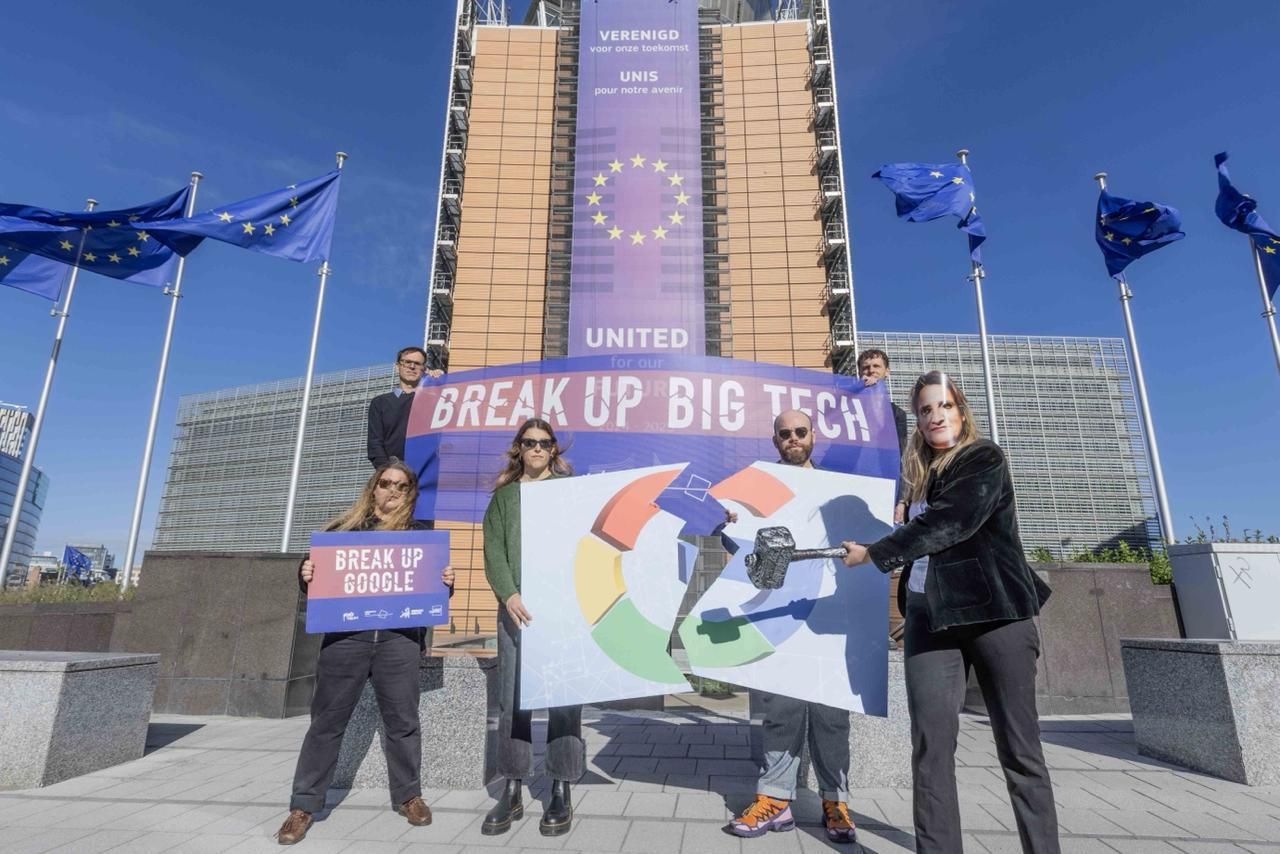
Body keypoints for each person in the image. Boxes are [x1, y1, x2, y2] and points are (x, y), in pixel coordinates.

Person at [839, 372, 1059, 854]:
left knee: (1020, 750)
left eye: (944, 405)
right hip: (929, 619)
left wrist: (875, 554)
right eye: (925, 409)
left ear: (961, 411)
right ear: (917, 421)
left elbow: (953, 522)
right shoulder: (919, 481)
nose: (935, 416)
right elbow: (923, 535)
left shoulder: (983, 458)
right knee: (930, 749)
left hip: (996, 615)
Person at [275, 461, 456, 846]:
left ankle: (409, 796)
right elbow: (315, 581)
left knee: (403, 721)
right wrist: (305, 574)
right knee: (326, 723)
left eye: (401, 486)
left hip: (398, 641)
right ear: (373, 487)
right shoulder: (343, 531)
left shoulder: (420, 537)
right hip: (346, 640)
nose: (392, 491)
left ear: (410, 494)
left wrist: (446, 583)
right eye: (386, 483)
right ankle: (303, 806)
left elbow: (432, 592)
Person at [725, 410, 857, 845]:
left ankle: (835, 800)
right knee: (781, 710)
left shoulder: (838, 490)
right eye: (785, 434)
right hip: (779, 613)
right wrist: (733, 525)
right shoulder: (759, 489)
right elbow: (741, 550)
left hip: (830, 613)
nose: (793, 438)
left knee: (832, 713)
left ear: (813, 435)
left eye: (800, 432)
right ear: (775, 440)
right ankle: (775, 799)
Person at [481, 418, 582, 837]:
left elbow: (587, 544)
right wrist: (509, 594)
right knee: (513, 700)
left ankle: (560, 785)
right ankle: (513, 786)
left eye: (544, 442)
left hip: (563, 610)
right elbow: (493, 551)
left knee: (564, 697)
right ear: (519, 449)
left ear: (553, 449)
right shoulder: (504, 498)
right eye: (529, 442)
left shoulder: (570, 493)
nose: (537, 448)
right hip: (517, 609)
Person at [856, 347, 910, 523]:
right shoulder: (848, 406)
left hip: (885, 489)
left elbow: (902, 457)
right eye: (866, 367)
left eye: (876, 366)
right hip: (853, 485)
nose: (871, 370)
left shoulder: (897, 414)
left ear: (887, 372)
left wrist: (902, 500)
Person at [367, 346, 442, 469]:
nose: (412, 367)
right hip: (391, 472)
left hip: (427, 473)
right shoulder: (380, 403)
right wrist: (388, 472)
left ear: (424, 369)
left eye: (417, 364)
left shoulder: (434, 400)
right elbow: (375, 444)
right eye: (407, 362)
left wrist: (440, 384)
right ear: (397, 367)